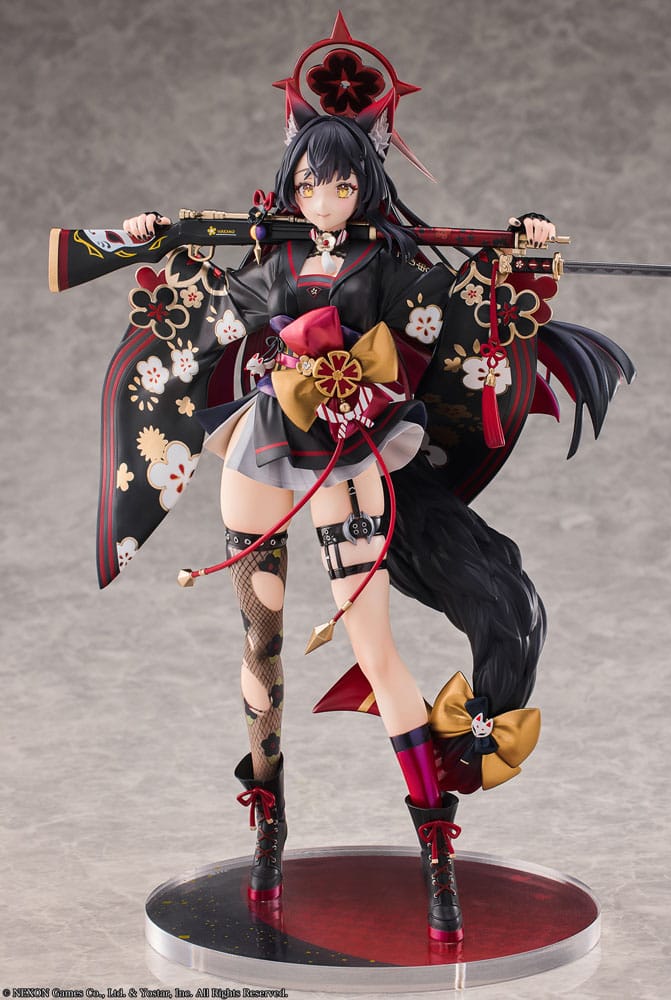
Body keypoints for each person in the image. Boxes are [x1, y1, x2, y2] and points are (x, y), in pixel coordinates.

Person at [116, 15, 631, 944]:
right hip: (263, 449)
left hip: (349, 449)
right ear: (291, 184)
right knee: (260, 649)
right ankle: (268, 822)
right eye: (311, 183)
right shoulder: (273, 259)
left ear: (366, 186)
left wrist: (519, 245)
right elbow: (217, 308)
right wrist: (158, 239)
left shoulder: (387, 267)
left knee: (378, 649)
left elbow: (457, 306)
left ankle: (436, 847)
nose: (325, 198)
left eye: (343, 183)